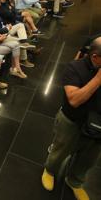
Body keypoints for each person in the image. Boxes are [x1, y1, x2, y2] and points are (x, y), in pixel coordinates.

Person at [41, 37, 101, 200]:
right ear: (95, 57)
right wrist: (97, 79)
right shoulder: (74, 68)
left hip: (97, 124)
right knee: (60, 151)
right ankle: (50, 170)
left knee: (88, 157)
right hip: (72, 121)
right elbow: (74, 100)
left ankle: (75, 181)